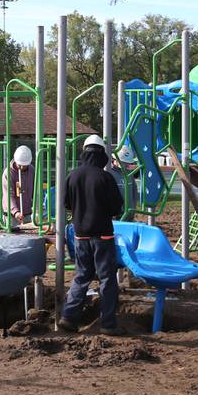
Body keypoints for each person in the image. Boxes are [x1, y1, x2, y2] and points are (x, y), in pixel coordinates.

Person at [58, 134, 125, 335]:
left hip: (81, 236)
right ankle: (107, 323)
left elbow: (66, 203)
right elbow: (116, 208)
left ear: (84, 152)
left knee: (81, 276)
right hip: (103, 236)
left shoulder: (73, 176)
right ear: (102, 154)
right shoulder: (105, 177)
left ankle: (69, 318)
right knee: (107, 279)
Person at [1, 145, 35, 229]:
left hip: (27, 213)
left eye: (25, 165)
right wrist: (16, 212)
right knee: (12, 239)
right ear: (15, 161)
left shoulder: (31, 170)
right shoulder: (8, 173)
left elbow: (35, 189)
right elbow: (8, 195)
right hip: (12, 215)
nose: (22, 167)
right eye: (20, 165)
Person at [106, 145, 139, 221]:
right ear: (116, 159)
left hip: (129, 212)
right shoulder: (109, 173)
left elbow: (134, 190)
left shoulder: (129, 173)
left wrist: (133, 207)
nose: (126, 165)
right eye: (124, 162)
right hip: (115, 215)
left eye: (127, 163)